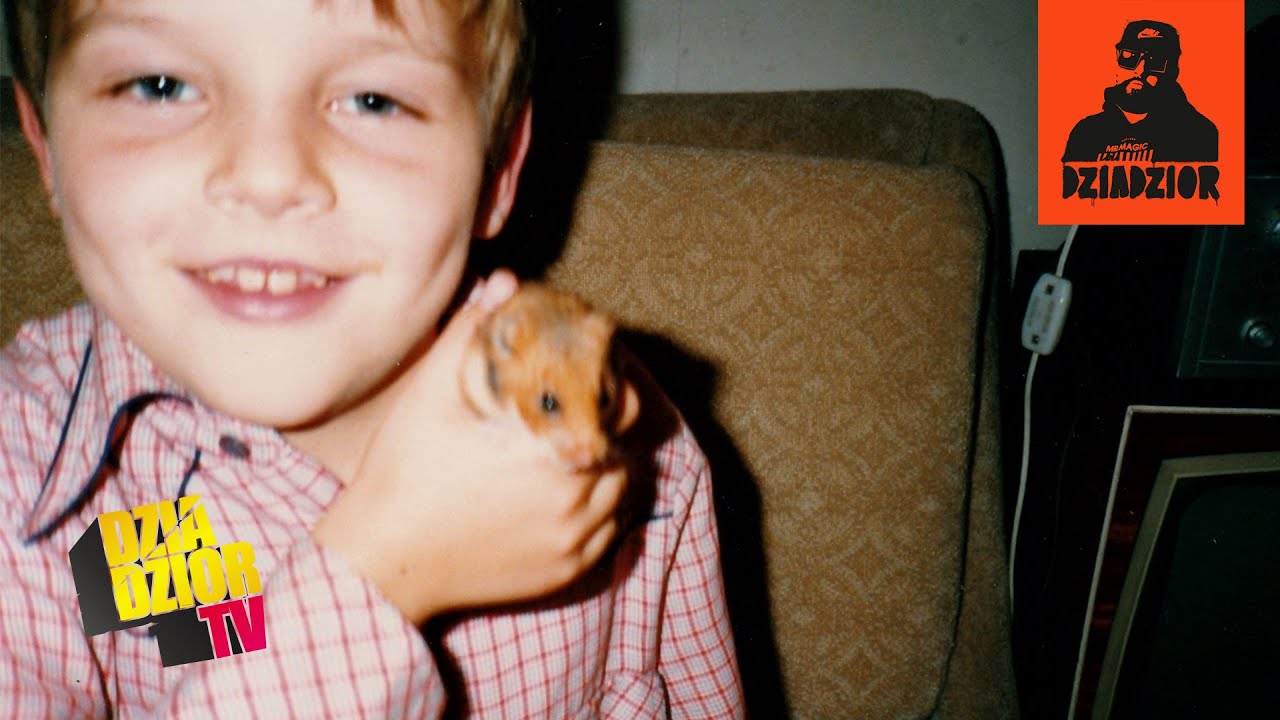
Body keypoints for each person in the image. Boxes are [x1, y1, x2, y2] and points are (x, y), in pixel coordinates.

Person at [0, 0, 744, 716]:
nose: (268, 179)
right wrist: (378, 578)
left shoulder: (644, 447)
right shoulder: (22, 483)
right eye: (159, 85)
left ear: (497, 170)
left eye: (373, 100)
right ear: (44, 143)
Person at [1061, 19, 1218, 163]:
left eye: (1155, 60)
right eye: (1129, 56)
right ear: (1116, 59)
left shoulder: (1197, 132)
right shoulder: (1087, 132)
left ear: (1172, 70)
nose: (1140, 70)